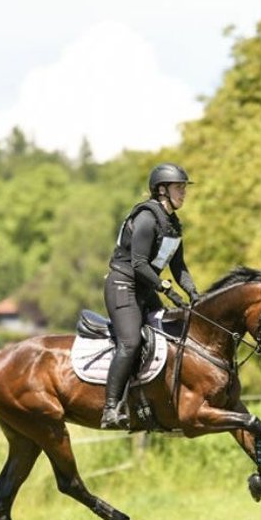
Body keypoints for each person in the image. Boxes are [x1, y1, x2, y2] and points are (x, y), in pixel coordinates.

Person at [100, 162, 201, 429]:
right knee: (131, 342)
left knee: (173, 335)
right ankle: (110, 408)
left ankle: (155, 403)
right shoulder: (146, 218)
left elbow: (179, 267)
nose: (184, 193)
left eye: (184, 188)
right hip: (123, 285)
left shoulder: (173, 224)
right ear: (162, 190)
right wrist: (167, 289)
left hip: (145, 288)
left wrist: (194, 294)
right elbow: (139, 264)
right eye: (179, 187)